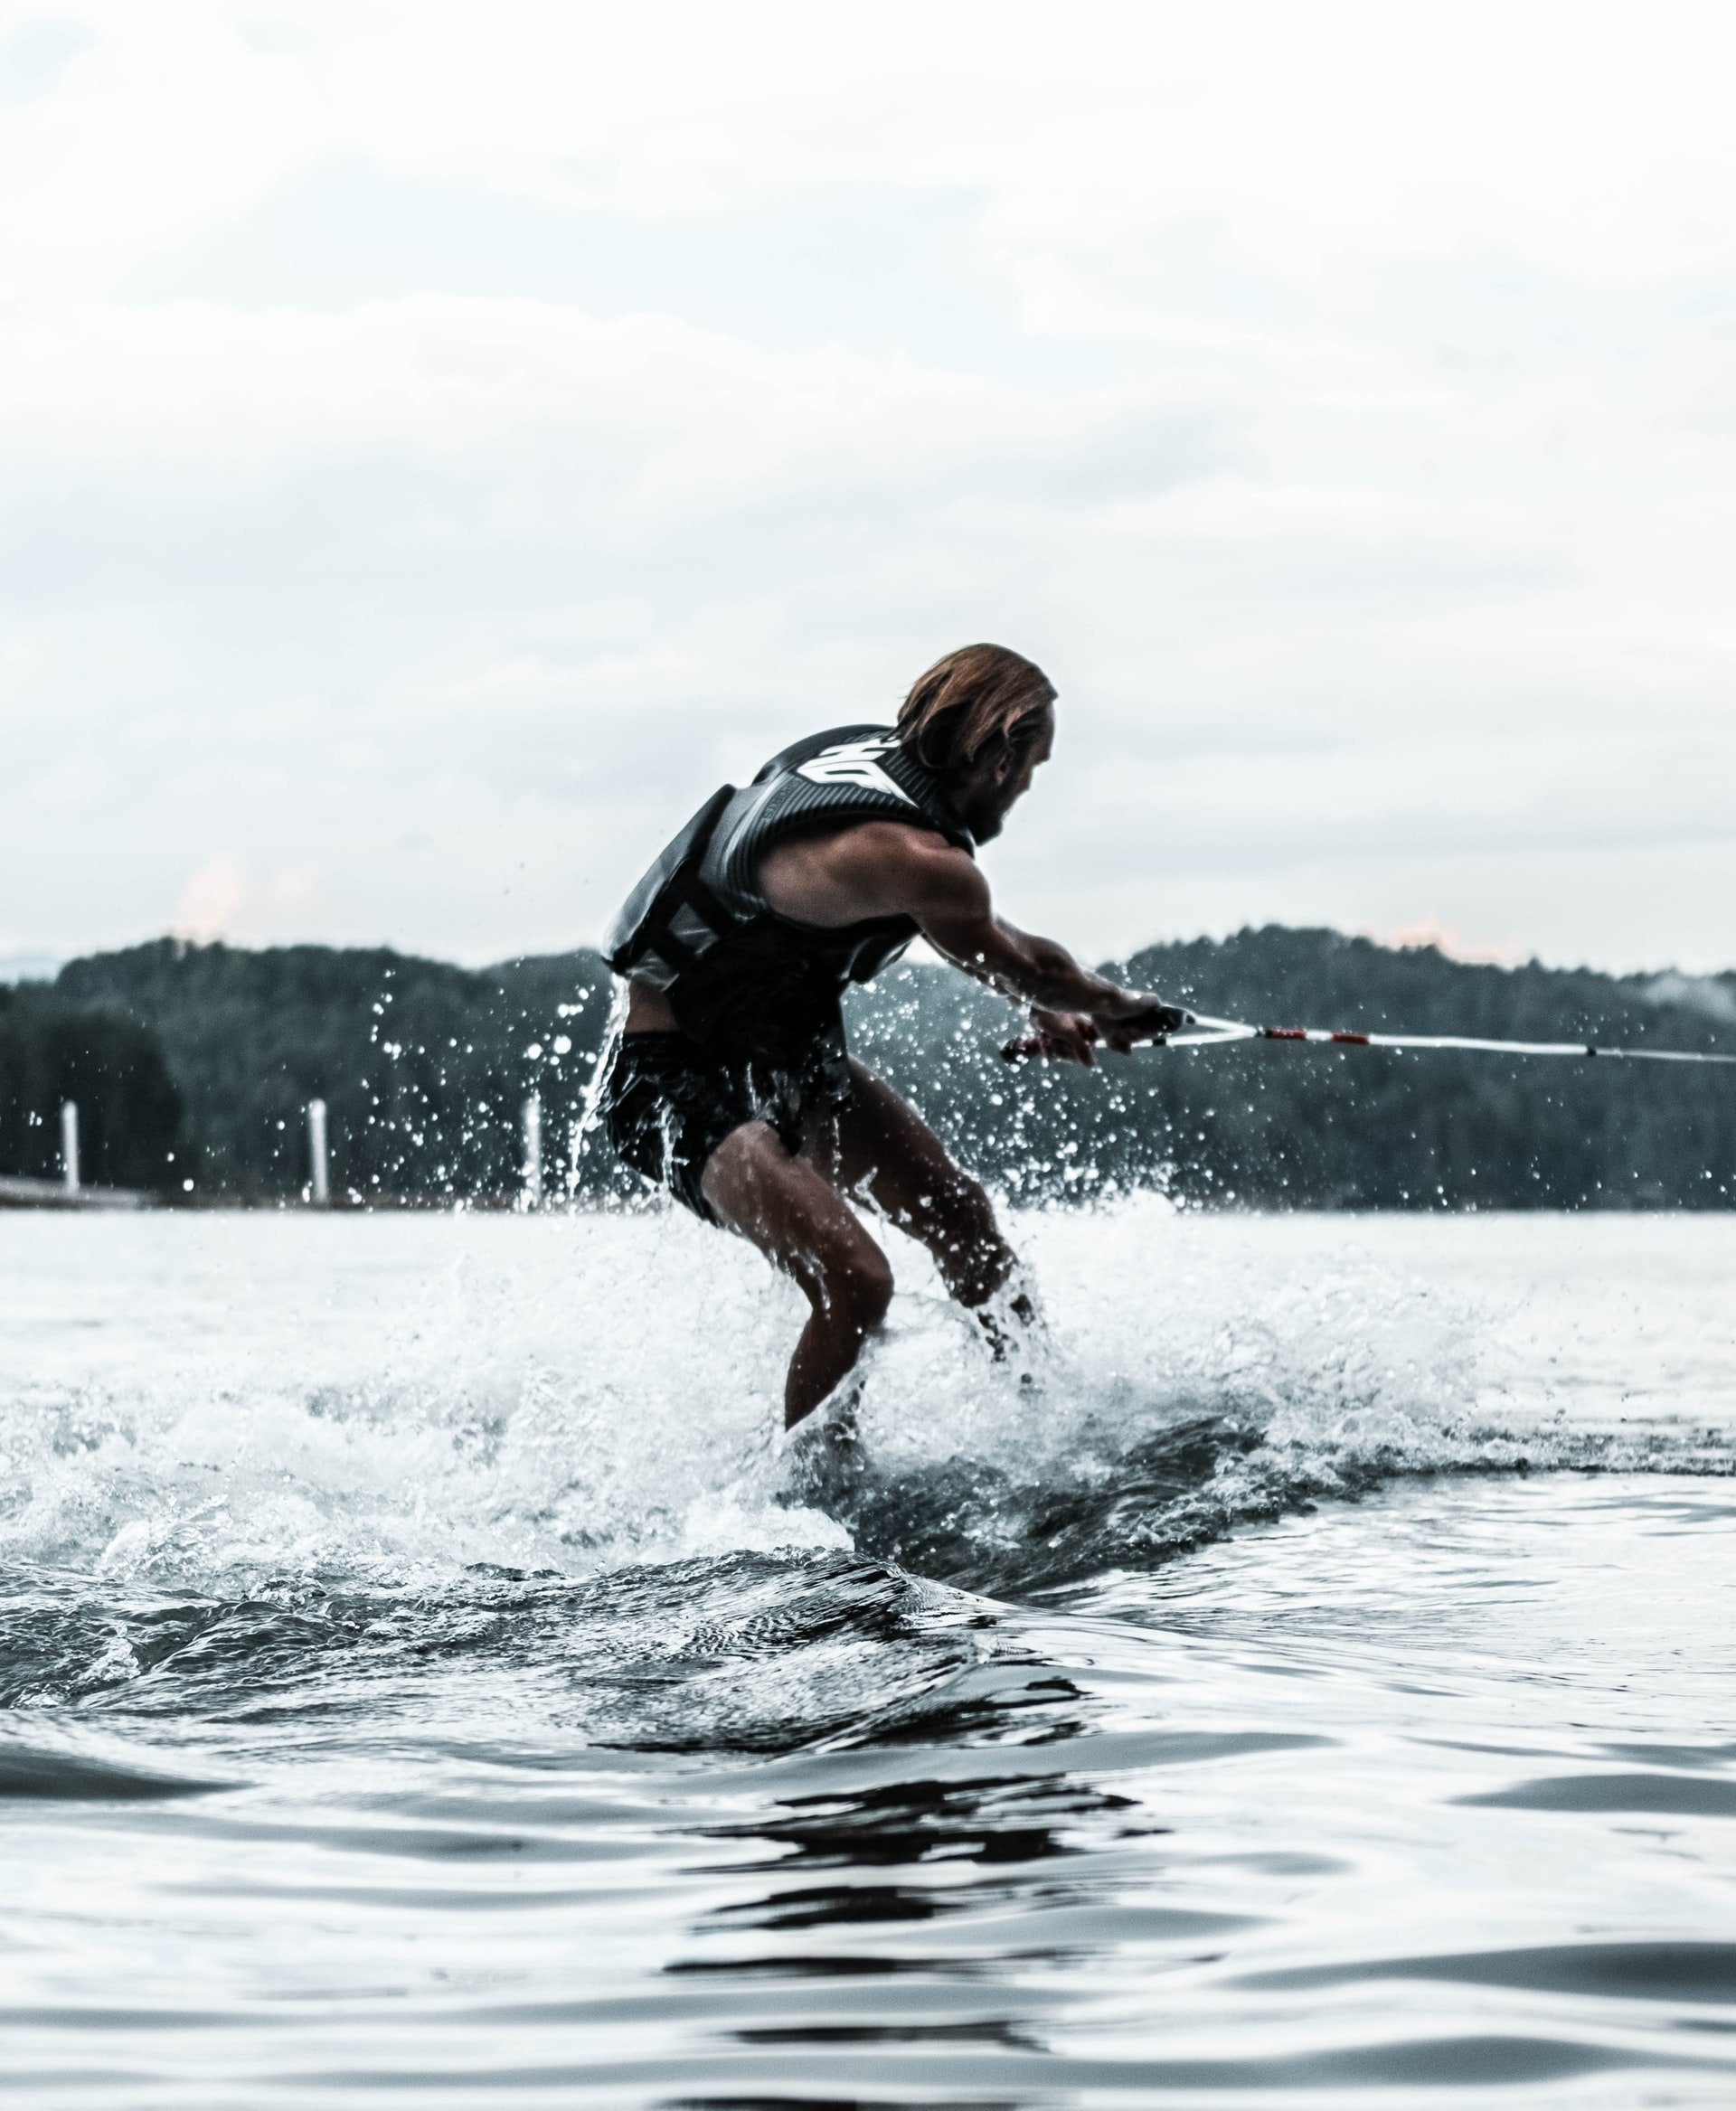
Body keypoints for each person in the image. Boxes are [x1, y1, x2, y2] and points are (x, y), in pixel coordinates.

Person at [599, 643, 1189, 1434]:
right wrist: (1113, 1005)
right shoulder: (912, 853)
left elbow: (970, 932)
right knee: (857, 1279)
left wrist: (1042, 1006)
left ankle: (1048, 1423)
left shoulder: (874, 780)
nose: (1027, 788)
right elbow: (1029, 962)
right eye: (1033, 766)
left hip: (784, 1061)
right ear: (1001, 757)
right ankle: (811, 1487)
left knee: (962, 1219)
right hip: (670, 1081)